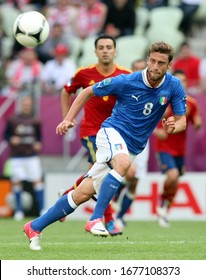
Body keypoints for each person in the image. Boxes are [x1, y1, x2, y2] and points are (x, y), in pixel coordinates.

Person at [23, 41, 187, 251]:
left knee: (82, 193)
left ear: (169, 65)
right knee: (123, 164)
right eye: (152, 61)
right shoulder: (127, 81)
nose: (155, 66)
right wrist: (68, 119)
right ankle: (96, 218)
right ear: (148, 60)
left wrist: (175, 125)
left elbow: (181, 120)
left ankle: (34, 226)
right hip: (111, 132)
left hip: (133, 147)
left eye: (161, 63)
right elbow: (86, 92)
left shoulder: (173, 85)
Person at [58, 33, 132, 235]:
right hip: (91, 131)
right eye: (101, 47)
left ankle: (66, 197)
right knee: (105, 173)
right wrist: (67, 118)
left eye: (109, 47)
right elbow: (66, 91)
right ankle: (107, 220)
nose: (105, 50)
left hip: (114, 134)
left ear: (115, 51)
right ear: (95, 51)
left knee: (97, 175)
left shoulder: (125, 74)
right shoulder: (84, 73)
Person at [153, 69, 202, 228]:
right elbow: (151, 118)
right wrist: (156, 131)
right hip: (164, 146)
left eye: (184, 81)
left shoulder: (192, 103)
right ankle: (161, 204)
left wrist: (197, 124)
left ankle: (165, 209)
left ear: (187, 84)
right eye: (177, 80)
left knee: (175, 180)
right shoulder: (163, 100)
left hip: (180, 149)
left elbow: (196, 121)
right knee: (173, 176)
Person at [113, 58, 149, 228]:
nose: (139, 71)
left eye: (143, 68)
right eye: (136, 68)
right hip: (124, 137)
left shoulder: (154, 90)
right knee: (128, 172)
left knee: (135, 180)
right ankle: (112, 201)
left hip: (143, 141)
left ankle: (119, 216)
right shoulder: (125, 87)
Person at [4, 95, 45, 221]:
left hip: (31, 156)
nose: (27, 105)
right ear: (21, 104)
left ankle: (42, 209)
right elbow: (6, 136)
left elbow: (39, 137)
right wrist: (11, 139)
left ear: (31, 105)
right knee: (17, 182)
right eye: (25, 103)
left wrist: (38, 143)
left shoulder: (35, 120)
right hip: (17, 156)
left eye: (29, 104)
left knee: (37, 181)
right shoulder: (13, 120)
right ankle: (19, 211)